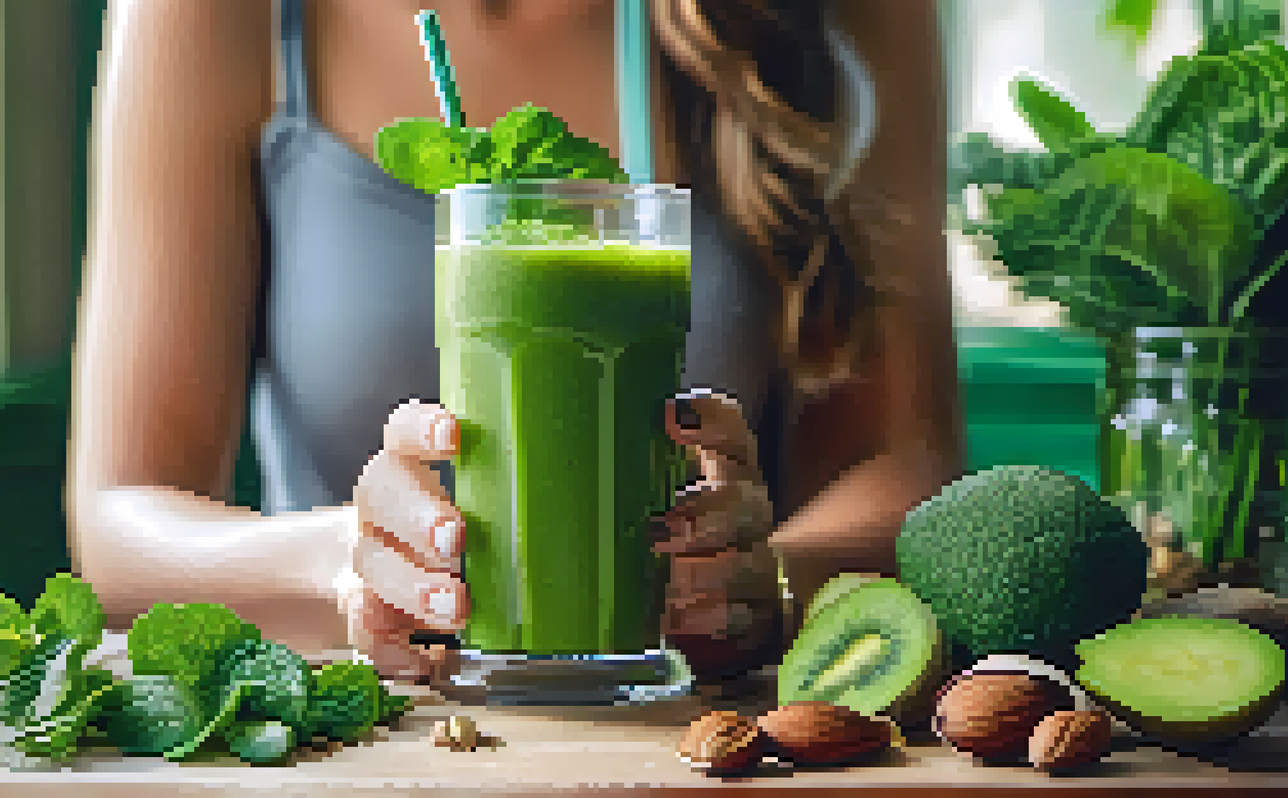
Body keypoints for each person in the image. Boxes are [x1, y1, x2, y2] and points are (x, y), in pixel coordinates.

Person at [66, 0, 964, 686]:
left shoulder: (837, 16)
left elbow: (904, 467)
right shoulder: (217, 17)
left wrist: (759, 582)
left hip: (691, 730)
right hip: (367, 738)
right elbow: (120, 516)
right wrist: (345, 563)